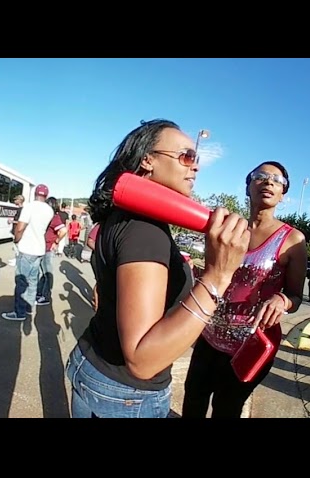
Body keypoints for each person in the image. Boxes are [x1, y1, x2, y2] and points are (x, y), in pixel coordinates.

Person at [65, 118, 251, 418]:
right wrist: (219, 275)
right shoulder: (144, 229)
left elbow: (104, 292)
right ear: (148, 160)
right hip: (124, 396)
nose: (196, 166)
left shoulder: (122, 215)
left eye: (197, 158)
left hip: (93, 366)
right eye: (186, 156)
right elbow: (142, 361)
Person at [182, 161, 307, 418]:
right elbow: (212, 275)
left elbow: (296, 296)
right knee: (193, 399)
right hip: (208, 336)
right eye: (260, 176)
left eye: (277, 180)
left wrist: (282, 300)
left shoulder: (292, 239)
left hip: (251, 346)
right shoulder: (229, 228)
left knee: (226, 410)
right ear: (248, 186)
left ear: (283, 194)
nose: (269, 182)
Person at [1, 184, 54, 321]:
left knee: (21, 281)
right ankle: (29, 308)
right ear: (46, 196)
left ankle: (19, 312)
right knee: (33, 281)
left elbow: (20, 228)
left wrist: (16, 240)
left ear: (35, 193)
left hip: (27, 248)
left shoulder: (29, 207)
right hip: (39, 249)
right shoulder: (49, 210)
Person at [36, 196, 67, 306]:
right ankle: (39, 293)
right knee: (42, 273)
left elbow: (63, 230)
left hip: (48, 248)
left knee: (47, 273)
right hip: (41, 247)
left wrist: (56, 242)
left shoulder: (54, 217)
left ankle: (46, 296)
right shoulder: (47, 217)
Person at [7, 195, 25, 266]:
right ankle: (16, 258)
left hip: (17, 229)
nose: (14, 201)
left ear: (19, 201)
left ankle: (17, 260)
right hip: (15, 229)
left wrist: (12, 221)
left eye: (16, 200)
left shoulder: (21, 210)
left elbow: (20, 221)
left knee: (17, 245)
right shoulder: (19, 209)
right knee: (15, 245)